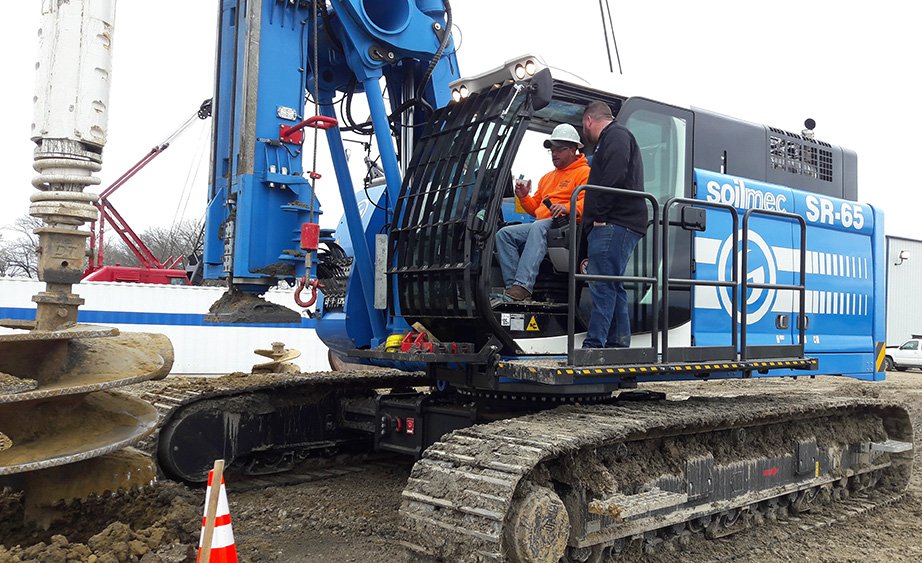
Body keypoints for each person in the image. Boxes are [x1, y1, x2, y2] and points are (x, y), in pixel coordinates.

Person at [495, 123, 590, 302]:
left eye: (559, 150)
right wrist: (524, 197)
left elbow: (588, 202)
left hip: (568, 226)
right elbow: (535, 209)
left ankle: (523, 285)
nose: (554, 154)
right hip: (545, 225)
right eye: (552, 150)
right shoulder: (547, 177)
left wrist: (566, 208)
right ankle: (513, 289)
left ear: (573, 150)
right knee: (504, 235)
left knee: (538, 227)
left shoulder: (584, 173)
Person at [580, 101, 647, 348]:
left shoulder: (615, 136)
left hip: (614, 222)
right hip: (620, 221)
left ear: (588, 120)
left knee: (602, 284)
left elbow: (615, 175)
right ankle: (617, 343)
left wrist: (600, 214)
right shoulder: (617, 137)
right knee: (612, 283)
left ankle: (595, 344)